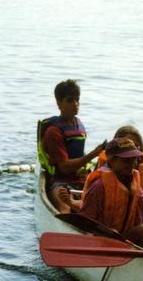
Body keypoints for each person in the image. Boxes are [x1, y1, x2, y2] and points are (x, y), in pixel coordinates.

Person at [38, 79, 105, 214]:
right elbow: (64, 168)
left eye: (77, 100)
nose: (75, 104)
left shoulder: (78, 124)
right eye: (70, 100)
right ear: (59, 103)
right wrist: (94, 154)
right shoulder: (53, 132)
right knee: (64, 208)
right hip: (61, 181)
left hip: (81, 179)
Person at [80, 137, 143, 247]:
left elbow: (139, 216)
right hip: (102, 237)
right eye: (126, 160)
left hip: (124, 237)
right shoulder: (99, 185)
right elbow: (86, 222)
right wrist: (107, 232)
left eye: (134, 159)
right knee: (113, 232)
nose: (132, 163)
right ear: (111, 160)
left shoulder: (135, 184)